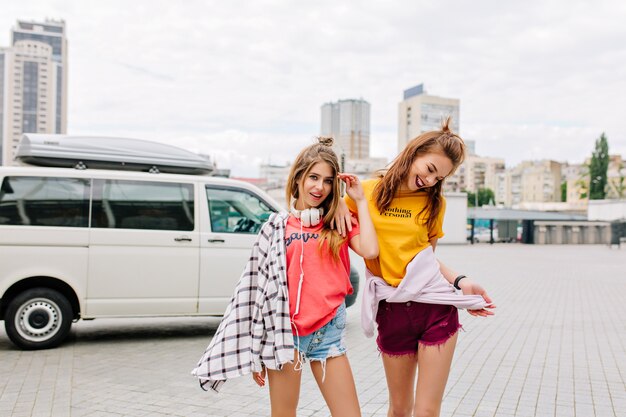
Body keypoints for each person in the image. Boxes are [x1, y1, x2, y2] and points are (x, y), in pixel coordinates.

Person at [193, 137, 378, 417]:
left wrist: (358, 201)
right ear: (299, 177)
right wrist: (258, 349)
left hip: (328, 332)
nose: (320, 187)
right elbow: (257, 291)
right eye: (313, 177)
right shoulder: (277, 226)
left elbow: (371, 249)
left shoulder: (338, 221)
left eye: (328, 181)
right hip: (285, 335)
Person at [337, 118, 495, 417]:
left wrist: (461, 281)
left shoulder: (434, 204)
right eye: (430, 169)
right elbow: (331, 222)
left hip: (434, 308)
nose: (431, 181)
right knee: (399, 409)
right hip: (392, 310)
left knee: (426, 411)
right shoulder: (364, 192)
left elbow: (424, 259)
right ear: (413, 153)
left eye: (439, 177)